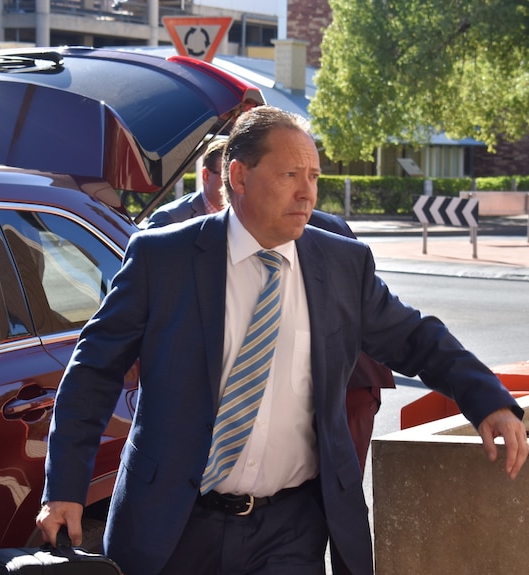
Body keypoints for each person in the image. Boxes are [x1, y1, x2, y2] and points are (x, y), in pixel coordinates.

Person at [37, 105, 529, 575]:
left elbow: (415, 337)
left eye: (314, 177)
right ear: (239, 177)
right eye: (290, 175)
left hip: (290, 530)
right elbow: (93, 371)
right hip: (173, 522)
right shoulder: (162, 259)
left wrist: (488, 400)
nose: (307, 194)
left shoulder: (342, 264)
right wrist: (65, 487)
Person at [147, 137, 393, 478]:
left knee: (338, 480)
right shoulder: (172, 225)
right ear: (222, 177)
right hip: (235, 391)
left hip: (350, 382)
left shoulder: (326, 231)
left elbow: (372, 312)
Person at [146, 137, 228, 228]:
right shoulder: (169, 219)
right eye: (227, 176)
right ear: (206, 176)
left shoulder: (242, 216)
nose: (235, 183)